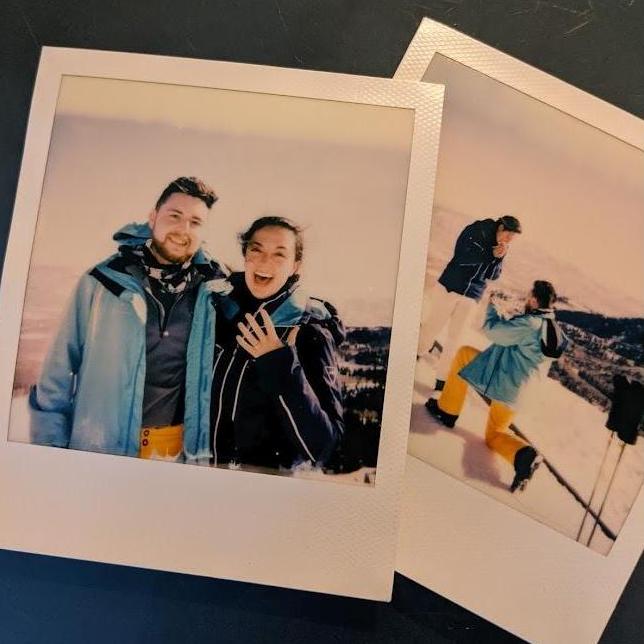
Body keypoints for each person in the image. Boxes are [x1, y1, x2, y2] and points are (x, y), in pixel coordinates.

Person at [29, 177, 226, 462]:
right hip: (103, 447)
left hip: (179, 454)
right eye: (175, 216)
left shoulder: (214, 289)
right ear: (153, 217)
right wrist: (48, 447)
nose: (183, 229)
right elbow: (58, 369)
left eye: (195, 222)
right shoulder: (103, 281)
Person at [207, 216, 345, 470]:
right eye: (256, 249)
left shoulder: (309, 331)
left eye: (279, 254)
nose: (264, 261)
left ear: (295, 266)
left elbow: (325, 446)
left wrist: (279, 363)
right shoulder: (220, 312)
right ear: (245, 255)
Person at [425, 280, 559, 492]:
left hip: (507, 384)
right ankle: (525, 455)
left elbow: (494, 331)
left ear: (535, 299)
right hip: (520, 394)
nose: (526, 299)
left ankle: (447, 410)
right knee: (495, 435)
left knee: (463, 355)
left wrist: (493, 306)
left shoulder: (531, 323)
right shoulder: (551, 327)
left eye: (528, 296)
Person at [418, 215, 522, 391]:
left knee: (455, 339)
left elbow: (493, 275)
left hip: (472, 296)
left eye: (513, 238)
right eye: (509, 235)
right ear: (501, 227)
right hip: (450, 287)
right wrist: (490, 254)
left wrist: (498, 258)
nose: (509, 240)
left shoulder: (503, 247)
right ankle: (416, 354)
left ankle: (441, 382)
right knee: (432, 327)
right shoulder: (477, 230)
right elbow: (461, 256)